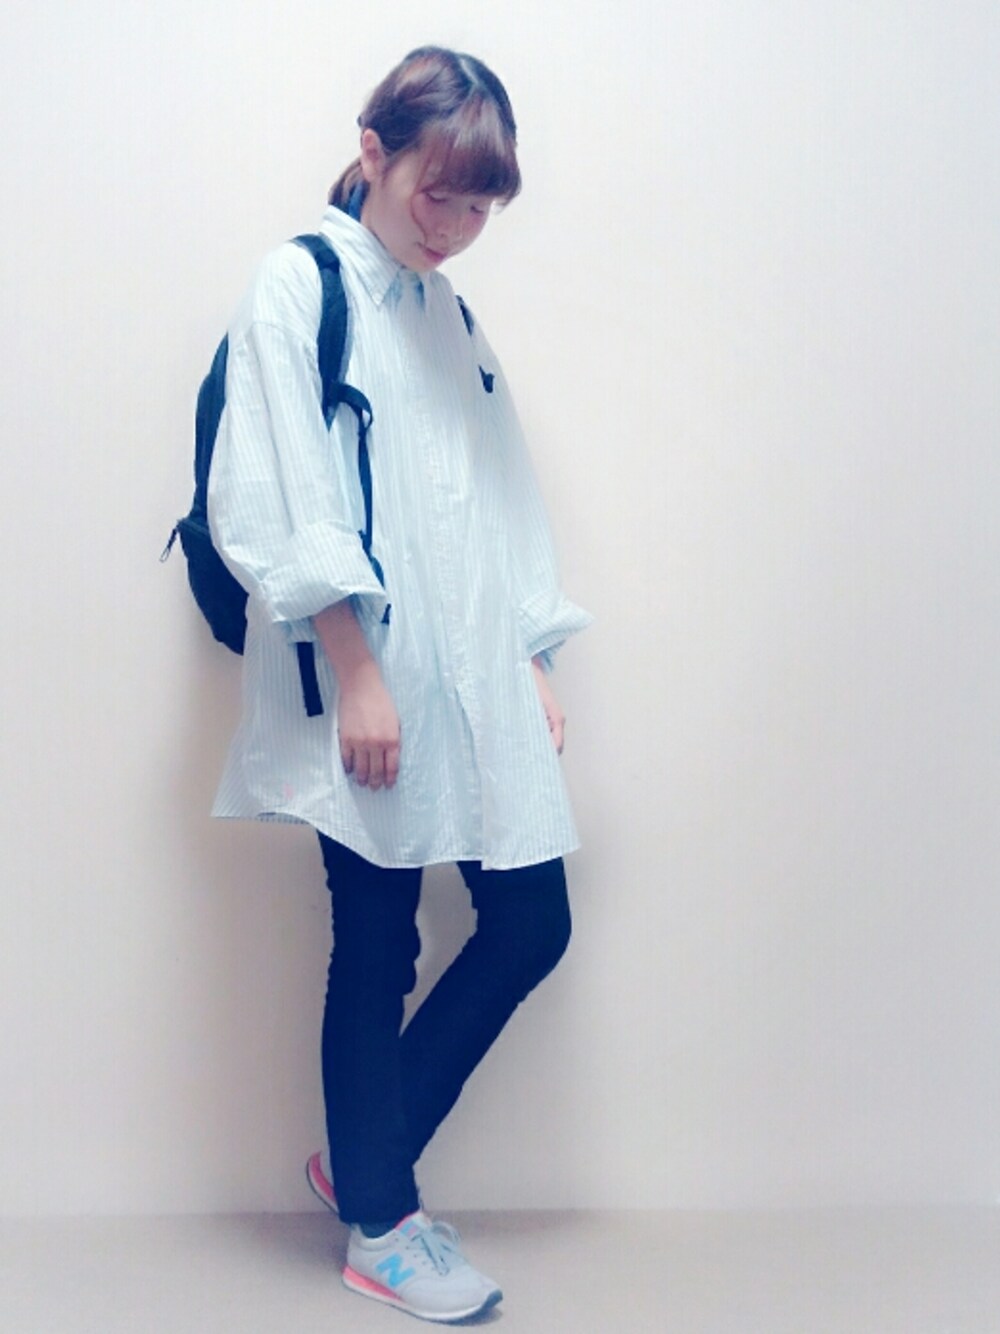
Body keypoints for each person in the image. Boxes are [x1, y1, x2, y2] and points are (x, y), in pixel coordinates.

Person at [207, 46, 590, 1323]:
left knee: (530, 920)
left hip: (467, 670)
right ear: (372, 150)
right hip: (358, 679)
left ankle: (363, 1156)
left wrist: (527, 650)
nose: (457, 226)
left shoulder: (445, 313)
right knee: (376, 941)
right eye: (439, 193)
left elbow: (497, 494)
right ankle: (381, 1224)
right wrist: (357, 670)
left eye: (481, 207)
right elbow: (277, 491)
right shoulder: (299, 284)